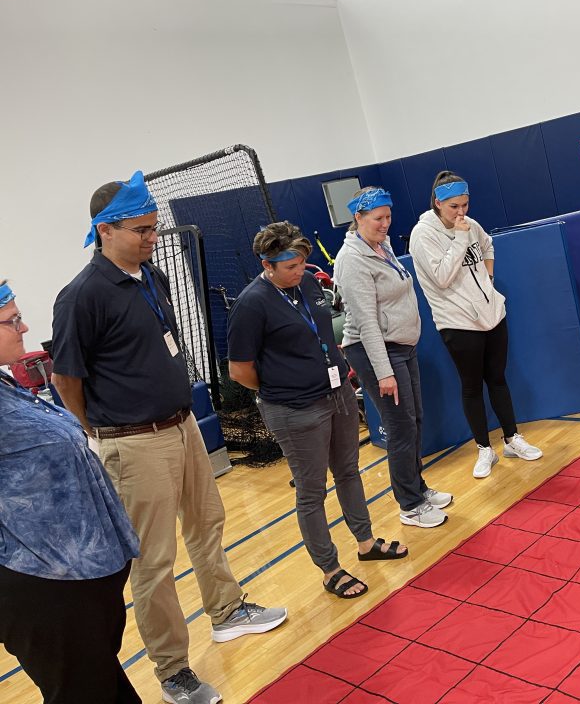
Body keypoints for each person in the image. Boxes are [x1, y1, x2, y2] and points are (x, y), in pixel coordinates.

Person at [51, 172, 287, 704]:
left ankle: (227, 612)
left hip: (181, 427)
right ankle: (173, 670)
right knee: (154, 561)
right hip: (132, 443)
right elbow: (66, 377)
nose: (152, 237)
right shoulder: (81, 296)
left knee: (208, 525)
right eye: (141, 229)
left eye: (154, 228)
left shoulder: (150, 277)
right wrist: (97, 432)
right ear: (104, 230)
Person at [227, 222, 408, 600]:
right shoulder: (251, 303)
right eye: (289, 267)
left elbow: (325, 332)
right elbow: (240, 370)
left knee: (348, 471)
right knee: (311, 490)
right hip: (294, 408)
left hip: (338, 391)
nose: (298, 272)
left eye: (301, 263)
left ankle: (366, 541)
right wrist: (283, 386)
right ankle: (329, 568)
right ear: (267, 265)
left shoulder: (308, 283)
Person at [0, 280, 141, 704]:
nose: (24, 328)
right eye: (12, 321)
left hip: (78, 578)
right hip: (41, 583)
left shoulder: (6, 385)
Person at [409, 171, 543, 479]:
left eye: (465, 205)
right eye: (454, 206)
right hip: (457, 321)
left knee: (497, 378)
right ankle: (484, 449)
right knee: (471, 385)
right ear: (438, 203)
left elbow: (487, 246)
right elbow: (441, 277)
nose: (461, 212)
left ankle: (512, 439)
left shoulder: (472, 225)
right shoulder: (423, 234)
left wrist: (490, 281)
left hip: (492, 314)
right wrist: (459, 238)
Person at [334, 187, 452, 528]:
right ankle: (410, 505)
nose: (385, 224)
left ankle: (418, 487)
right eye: (377, 218)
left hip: (401, 346)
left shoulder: (381, 245)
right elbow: (367, 323)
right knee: (400, 427)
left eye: (388, 217)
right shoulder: (352, 260)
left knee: (414, 420)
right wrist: (384, 372)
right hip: (377, 351)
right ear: (358, 218)